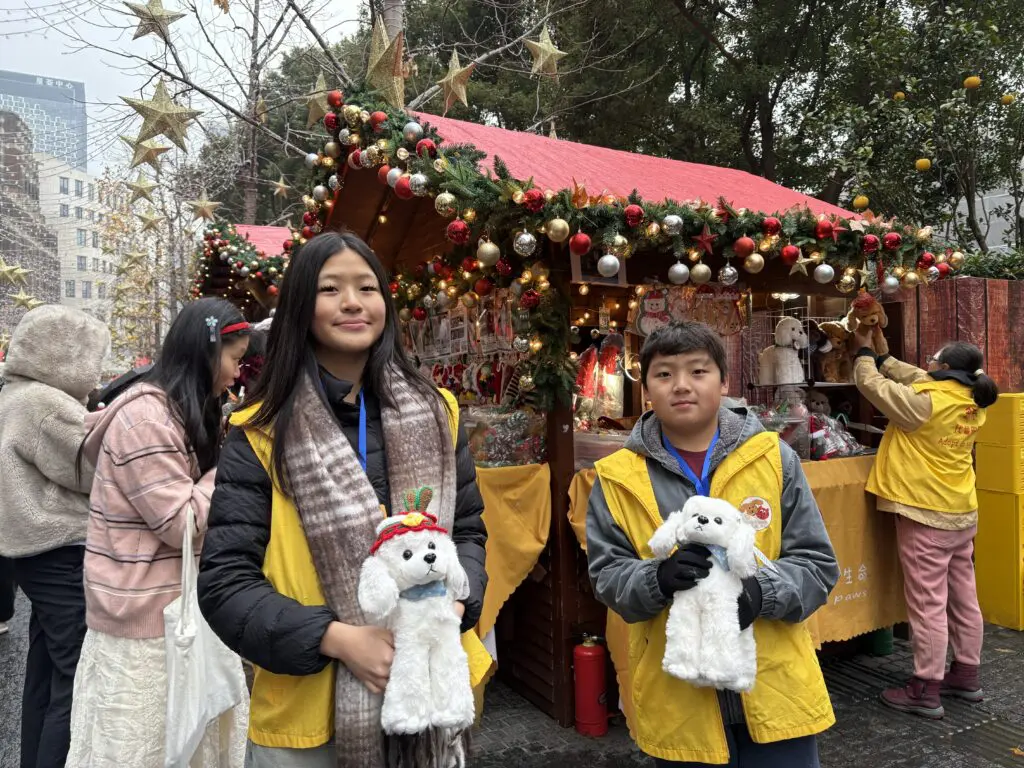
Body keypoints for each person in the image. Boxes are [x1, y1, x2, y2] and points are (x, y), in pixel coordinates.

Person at [197, 231, 488, 768]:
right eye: (330, 289)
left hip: (430, 696)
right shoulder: (260, 433)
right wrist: (337, 639)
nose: (353, 302)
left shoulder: (437, 413)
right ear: (300, 308)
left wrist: (456, 603)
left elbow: (467, 532)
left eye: (367, 288)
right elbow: (224, 583)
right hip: (307, 719)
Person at [586, 321, 839, 768]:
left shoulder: (772, 457)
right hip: (678, 698)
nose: (681, 386)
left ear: (724, 382)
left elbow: (817, 563)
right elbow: (607, 576)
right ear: (646, 388)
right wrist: (656, 578)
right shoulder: (616, 477)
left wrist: (763, 593)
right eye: (664, 374)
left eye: (698, 371)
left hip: (775, 688)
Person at [65, 298, 251, 767]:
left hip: (165, 611)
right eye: (233, 358)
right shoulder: (146, 419)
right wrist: (231, 464)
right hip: (143, 624)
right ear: (204, 352)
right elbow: (182, 523)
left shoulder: (175, 410)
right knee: (142, 747)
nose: (236, 373)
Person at [852, 332, 999, 719]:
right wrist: (885, 354)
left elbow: (871, 385)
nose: (929, 366)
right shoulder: (972, 398)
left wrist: (865, 354)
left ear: (946, 370)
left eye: (935, 362)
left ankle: (925, 687)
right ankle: (966, 674)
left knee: (928, 604)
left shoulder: (924, 404)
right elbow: (915, 375)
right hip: (961, 512)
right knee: (964, 598)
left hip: (924, 512)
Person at [0, 305, 110, 768]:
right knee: (78, 674)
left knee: (46, 672)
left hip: (31, 550)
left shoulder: (15, 394)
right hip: (60, 546)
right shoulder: (48, 404)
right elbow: (91, 470)